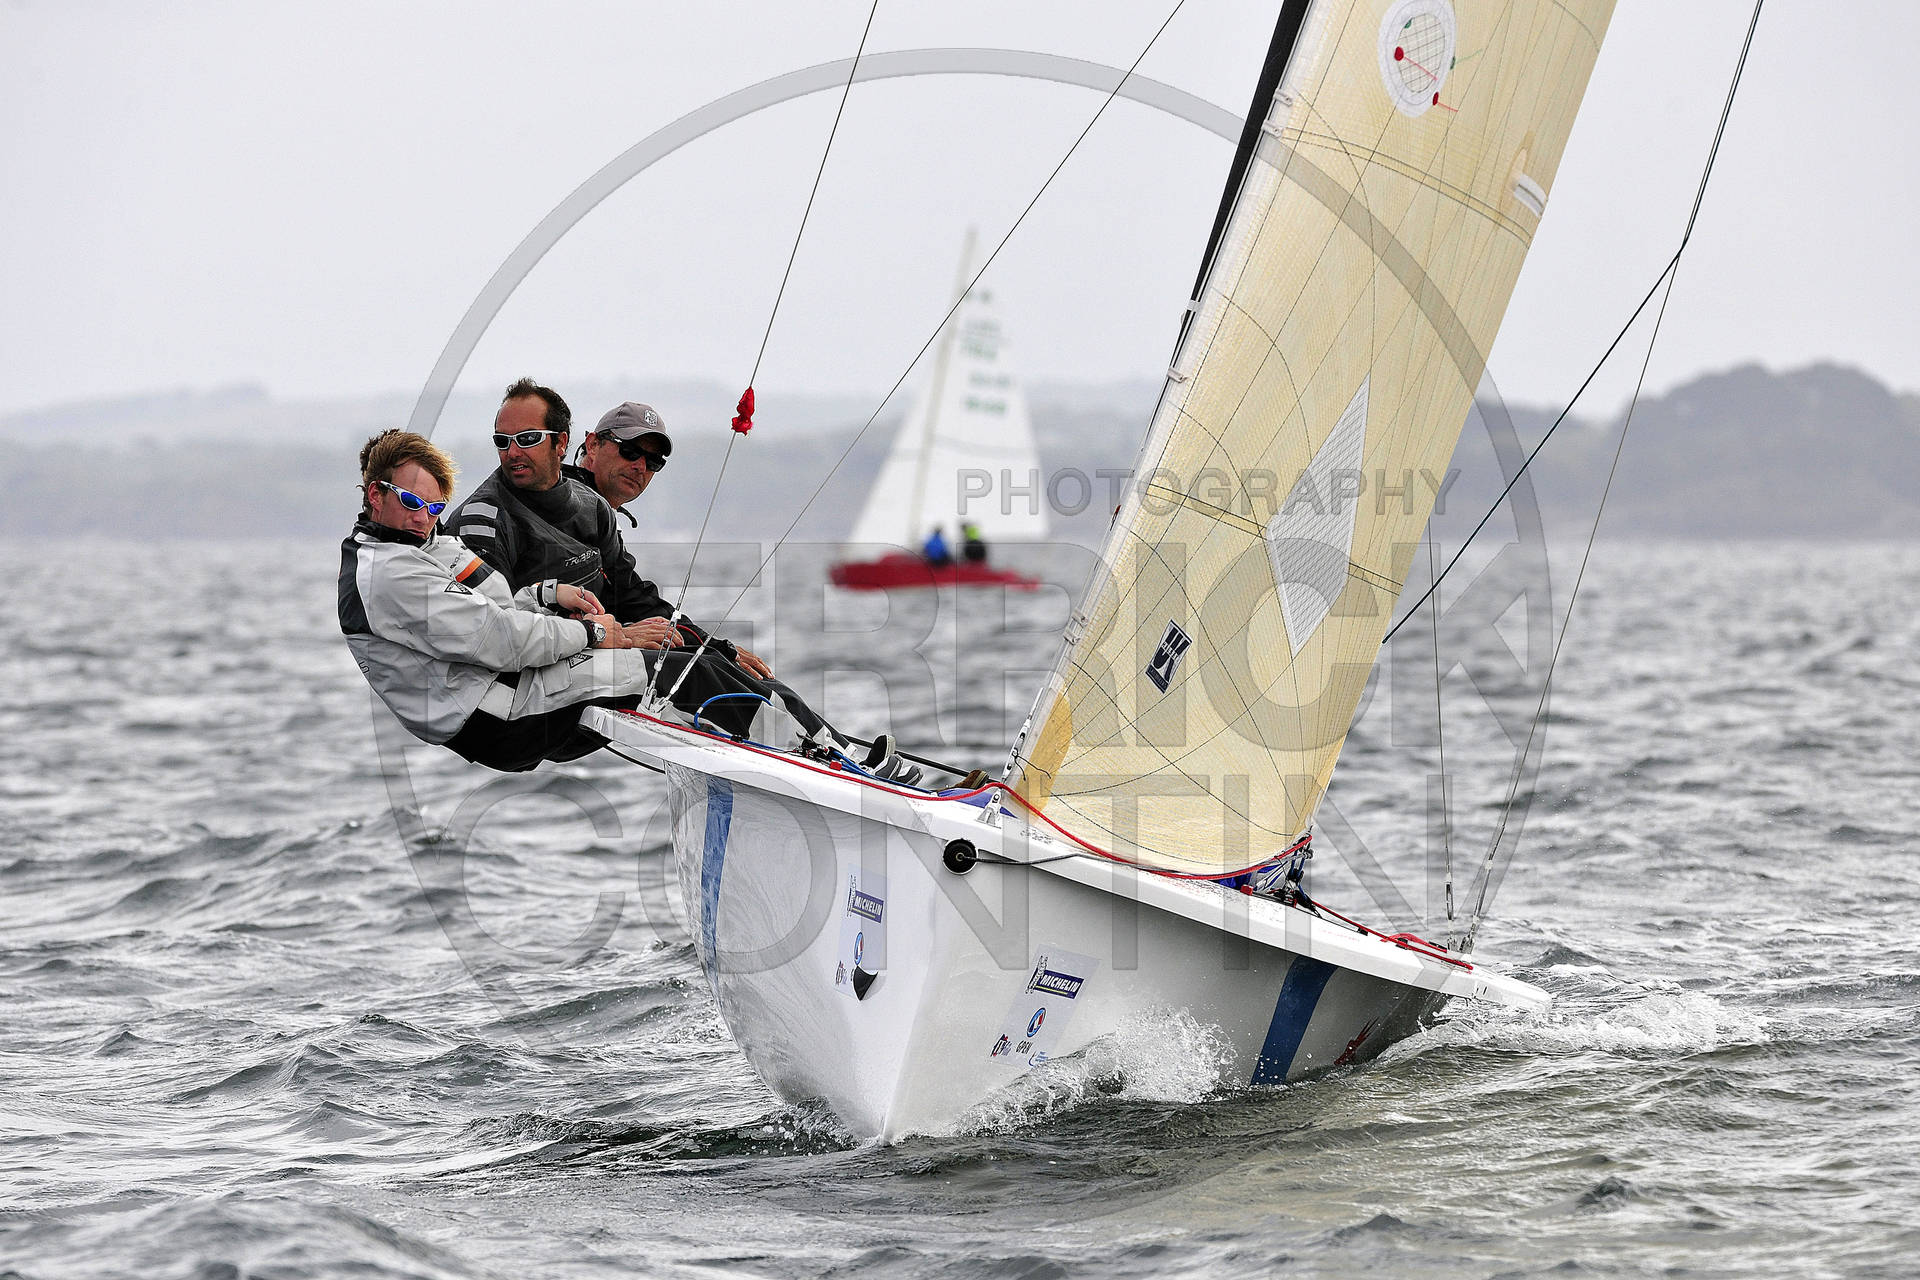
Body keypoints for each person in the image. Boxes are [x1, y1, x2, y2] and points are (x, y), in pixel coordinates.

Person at [341, 429, 913, 776]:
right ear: (375, 495)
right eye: (412, 501)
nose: (424, 517)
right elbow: (501, 640)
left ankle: (829, 746)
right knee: (679, 672)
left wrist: (545, 594)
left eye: (434, 507)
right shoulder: (389, 573)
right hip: (494, 719)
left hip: (509, 690)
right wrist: (600, 634)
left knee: (696, 662)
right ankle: (831, 763)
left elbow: (497, 608)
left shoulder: (422, 546)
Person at [567, 398, 671, 521]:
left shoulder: (596, 518)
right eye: (630, 450)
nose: (641, 467)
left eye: (653, 461)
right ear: (593, 445)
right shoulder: (560, 509)